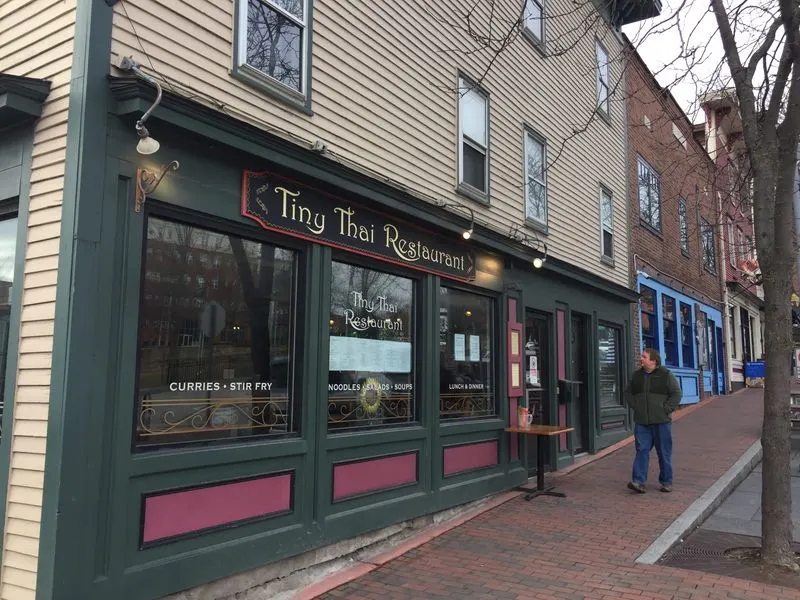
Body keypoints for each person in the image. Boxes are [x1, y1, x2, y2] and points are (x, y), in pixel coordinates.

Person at [624, 348, 682, 493]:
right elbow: (628, 393)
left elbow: (676, 393)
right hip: (642, 422)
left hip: (661, 422)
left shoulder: (666, 375)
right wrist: (635, 406)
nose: (641, 359)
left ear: (653, 361)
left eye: (644, 357)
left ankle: (666, 481)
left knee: (663, 452)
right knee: (641, 450)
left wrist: (666, 409)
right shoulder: (636, 376)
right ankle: (638, 481)